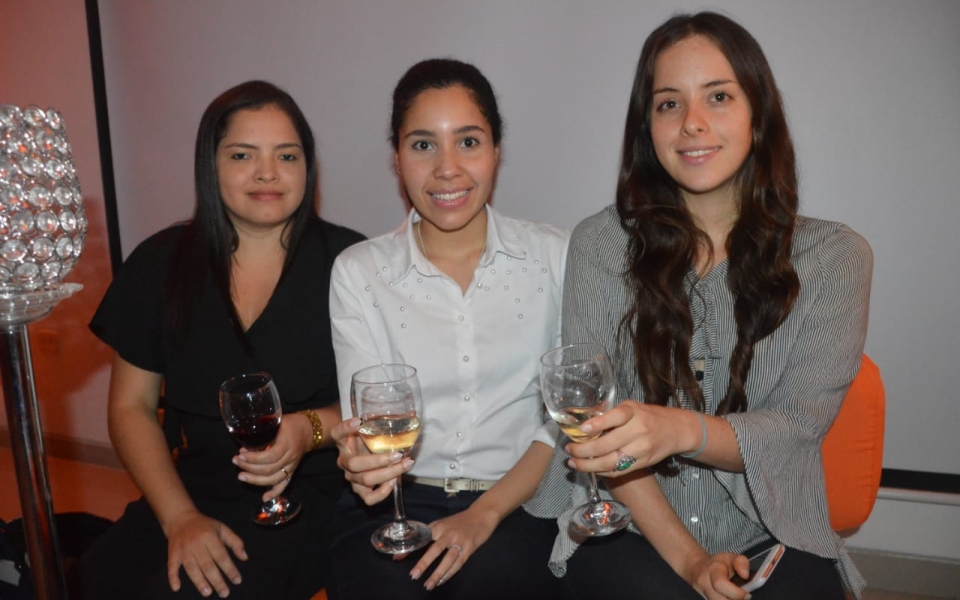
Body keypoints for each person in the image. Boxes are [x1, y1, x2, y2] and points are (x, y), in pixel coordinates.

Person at [525, 11, 872, 600]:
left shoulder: (836, 257)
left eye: (718, 96)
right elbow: (592, 427)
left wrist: (679, 428)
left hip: (774, 531)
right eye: (668, 103)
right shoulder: (600, 243)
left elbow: (794, 429)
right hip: (629, 523)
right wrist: (689, 561)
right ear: (646, 126)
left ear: (758, 113)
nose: (692, 124)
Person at [68, 80, 364, 600]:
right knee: (93, 582)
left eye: (287, 155)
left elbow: (385, 403)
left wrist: (309, 429)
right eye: (242, 154)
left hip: (313, 492)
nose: (267, 172)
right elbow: (131, 408)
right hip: (190, 488)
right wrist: (180, 517)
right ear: (211, 164)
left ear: (307, 167)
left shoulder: (353, 264)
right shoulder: (161, 262)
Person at [325, 58, 569, 600]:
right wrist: (356, 458)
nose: (447, 169)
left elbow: (561, 422)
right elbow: (364, 416)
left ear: (497, 149)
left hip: (520, 502)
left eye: (468, 142)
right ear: (396, 158)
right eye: (422, 145)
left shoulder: (555, 258)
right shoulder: (359, 273)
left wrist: (482, 515)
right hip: (397, 502)